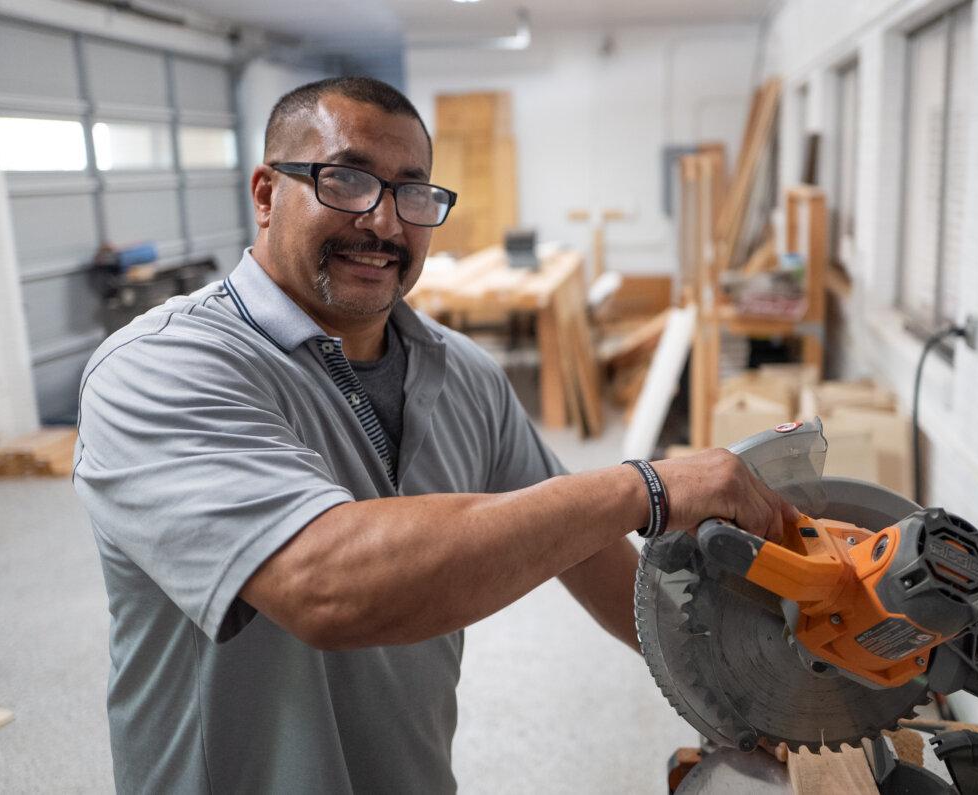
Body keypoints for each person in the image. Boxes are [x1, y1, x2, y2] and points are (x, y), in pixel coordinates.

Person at [73, 76, 796, 793]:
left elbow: (598, 561)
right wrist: (646, 486)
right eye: (347, 180)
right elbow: (326, 586)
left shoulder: (465, 377)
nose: (385, 224)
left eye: (412, 194)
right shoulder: (158, 369)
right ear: (266, 194)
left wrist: (752, 687)